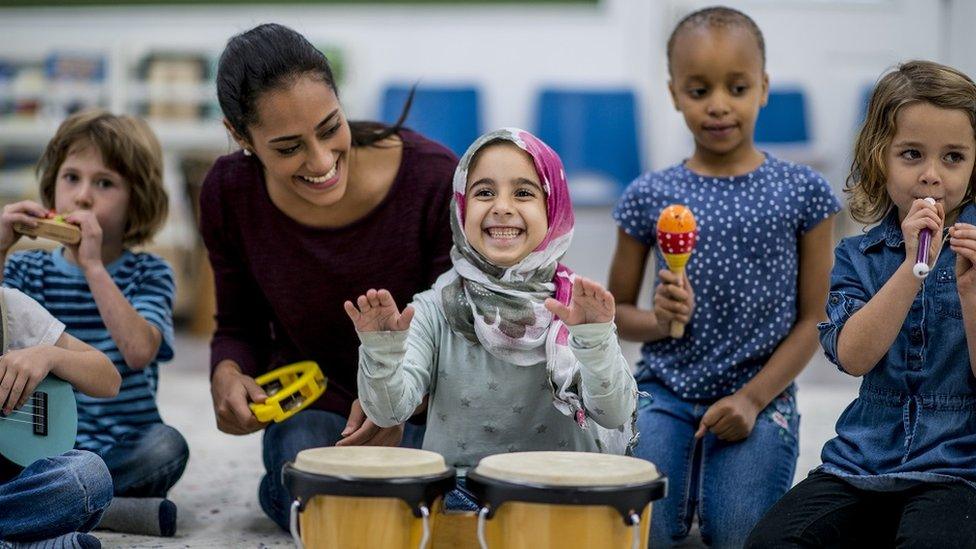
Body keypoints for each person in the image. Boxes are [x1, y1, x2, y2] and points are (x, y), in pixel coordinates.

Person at [201, 23, 457, 530]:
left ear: (342, 102)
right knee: (310, 474)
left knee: (440, 490)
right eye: (287, 147)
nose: (321, 162)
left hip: (425, 405)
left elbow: (461, 338)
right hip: (317, 406)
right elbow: (238, 325)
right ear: (239, 135)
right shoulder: (229, 194)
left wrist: (399, 405)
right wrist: (227, 374)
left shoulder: (433, 178)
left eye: (329, 127)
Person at [606, 6, 840, 546]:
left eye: (736, 87)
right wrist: (661, 321)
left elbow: (816, 319)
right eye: (698, 90)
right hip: (664, 390)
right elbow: (615, 314)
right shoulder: (648, 195)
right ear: (673, 93)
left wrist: (754, 400)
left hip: (760, 392)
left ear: (763, 87)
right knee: (645, 532)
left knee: (739, 534)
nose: (718, 106)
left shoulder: (804, 193)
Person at [747, 60, 976, 548]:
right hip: (862, 462)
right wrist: (911, 272)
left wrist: (971, 294)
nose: (933, 176)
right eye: (912, 154)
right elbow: (853, 357)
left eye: (953, 157)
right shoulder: (856, 255)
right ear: (879, 158)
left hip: (960, 468)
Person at [347, 128, 637, 507]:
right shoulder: (433, 308)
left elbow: (613, 413)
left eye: (523, 192)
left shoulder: (580, 309)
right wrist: (382, 351)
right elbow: (389, 410)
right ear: (462, 207)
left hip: (565, 491)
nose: (502, 206)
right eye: (484, 192)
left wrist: (595, 339)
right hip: (460, 490)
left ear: (554, 209)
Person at [1, 110, 186, 538]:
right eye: (71, 178)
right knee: (49, 470)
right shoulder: (29, 268)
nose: (83, 196)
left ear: (136, 199)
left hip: (123, 445)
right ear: (52, 186)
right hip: (33, 442)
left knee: (167, 446)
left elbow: (139, 353)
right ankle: (108, 507)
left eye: (104, 183)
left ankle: (64, 499)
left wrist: (94, 269)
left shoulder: (150, 273)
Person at [0, 284, 120, 547]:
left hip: (10, 486)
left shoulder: (8, 306)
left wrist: (49, 354)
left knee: (88, 475)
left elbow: (110, 380)